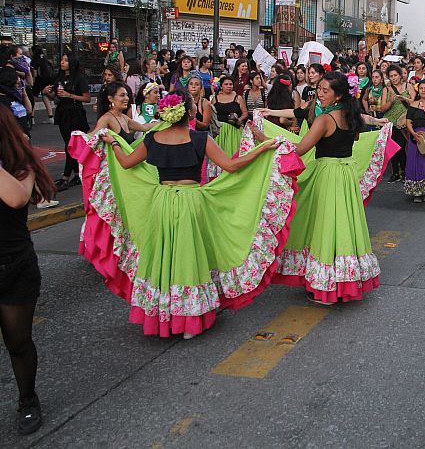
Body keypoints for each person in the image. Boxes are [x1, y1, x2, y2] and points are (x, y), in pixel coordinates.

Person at [69, 89, 302, 338]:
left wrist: (113, 142)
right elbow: (232, 166)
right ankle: (188, 318)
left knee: (164, 255)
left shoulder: (153, 139)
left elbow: (126, 163)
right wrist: (264, 148)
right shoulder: (200, 139)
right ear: (189, 112)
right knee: (186, 256)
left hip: (161, 201)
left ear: (167, 114)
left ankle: (163, 314)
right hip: (191, 202)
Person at [267, 72, 385, 304]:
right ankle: (342, 281)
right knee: (343, 226)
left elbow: (300, 148)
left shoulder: (325, 119)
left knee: (326, 226)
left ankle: (327, 288)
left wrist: (270, 141)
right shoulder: (351, 116)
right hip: (346, 173)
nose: (319, 94)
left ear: (338, 94)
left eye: (325, 90)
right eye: (318, 89)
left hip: (329, 173)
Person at [0, 106, 57, 435]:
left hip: (13, 264)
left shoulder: (19, 163)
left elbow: (17, 198)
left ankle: (27, 399)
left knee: (18, 341)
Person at [43, 54, 90, 190]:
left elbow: (86, 98)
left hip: (75, 113)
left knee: (71, 145)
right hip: (63, 112)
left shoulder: (79, 78)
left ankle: (65, 177)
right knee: (68, 143)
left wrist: (70, 95)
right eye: (62, 60)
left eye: (66, 60)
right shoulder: (59, 77)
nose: (62, 63)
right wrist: (47, 92)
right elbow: (55, 95)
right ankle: (77, 173)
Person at [382, 64, 412, 182]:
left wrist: (405, 99)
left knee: (404, 147)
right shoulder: (387, 89)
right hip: (391, 121)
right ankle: (395, 172)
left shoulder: (408, 86)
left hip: (405, 121)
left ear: (400, 76)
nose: (394, 78)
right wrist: (391, 101)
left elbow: (414, 103)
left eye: (395, 75)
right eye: (391, 76)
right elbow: (383, 108)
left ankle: (404, 171)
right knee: (393, 148)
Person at [212, 75, 247, 159]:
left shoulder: (238, 98)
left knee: (233, 153)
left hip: (234, 130)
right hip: (219, 130)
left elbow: (245, 113)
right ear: (221, 86)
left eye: (230, 84)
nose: (228, 86)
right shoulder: (215, 99)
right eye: (226, 84)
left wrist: (240, 119)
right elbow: (211, 113)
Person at [30, 45, 54, 120]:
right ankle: (50, 117)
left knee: (32, 98)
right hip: (48, 80)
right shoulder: (46, 59)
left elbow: (35, 74)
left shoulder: (34, 60)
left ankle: (32, 118)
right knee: (45, 96)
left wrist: (32, 82)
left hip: (39, 80)